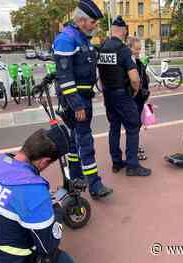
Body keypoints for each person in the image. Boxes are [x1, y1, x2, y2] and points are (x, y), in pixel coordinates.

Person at [0, 126, 74, 263]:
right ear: (44, 161)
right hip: (9, 259)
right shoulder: (34, 193)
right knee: (63, 259)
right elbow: (48, 247)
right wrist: (57, 210)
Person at [52, 0, 113, 199]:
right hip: (76, 101)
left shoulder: (81, 37)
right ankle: (94, 185)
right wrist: (77, 104)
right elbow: (65, 77)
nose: (95, 25)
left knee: (74, 141)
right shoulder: (67, 39)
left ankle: (76, 177)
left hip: (83, 97)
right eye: (92, 22)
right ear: (80, 20)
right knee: (85, 141)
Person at [98, 16, 152, 177]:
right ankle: (132, 165)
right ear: (123, 31)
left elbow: (100, 75)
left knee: (114, 128)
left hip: (108, 94)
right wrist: (135, 91)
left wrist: (105, 92)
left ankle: (116, 162)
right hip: (123, 94)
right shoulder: (123, 50)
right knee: (133, 126)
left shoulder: (102, 48)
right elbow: (135, 78)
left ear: (111, 30)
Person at [127, 36, 150, 161]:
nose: (138, 51)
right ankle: (133, 151)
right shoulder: (128, 63)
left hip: (140, 98)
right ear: (129, 48)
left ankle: (134, 147)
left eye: (139, 49)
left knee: (138, 125)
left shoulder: (137, 61)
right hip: (133, 99)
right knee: (133, 126)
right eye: (136, 49)